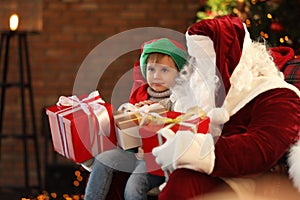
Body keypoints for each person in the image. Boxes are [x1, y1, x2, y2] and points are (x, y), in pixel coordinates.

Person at [151, 15, 300, 199]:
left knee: (185, 183)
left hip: (249, 185)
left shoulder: (276, 93)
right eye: (196, 59)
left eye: (207, 60)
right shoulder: (202, 92)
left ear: (233, 58)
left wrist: (197, 150)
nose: (200, 70)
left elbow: (262, 147)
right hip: (197, 174)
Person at [84, 38, 188, 200]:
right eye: (151, 69)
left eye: (164, 70)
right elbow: (127, 127)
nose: (156, 76)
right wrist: (133, 112)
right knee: (104, 159)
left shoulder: (179, 101)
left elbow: (180, 130)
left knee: (134, 186)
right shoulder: (141, 95)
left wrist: (158, 115)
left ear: (179, 73)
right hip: (135, 153)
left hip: (157, 162)